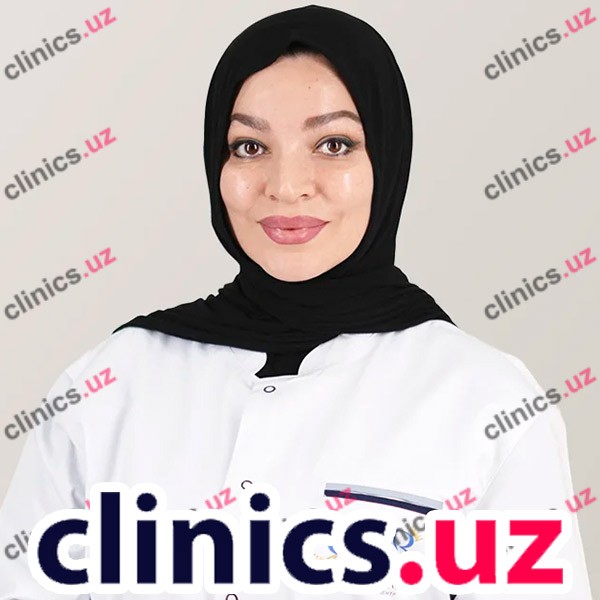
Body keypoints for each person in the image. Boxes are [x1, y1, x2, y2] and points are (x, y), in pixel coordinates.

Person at [0, 4, 592, 598]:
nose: (286, 186)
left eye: (333, 144)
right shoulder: (109, 384)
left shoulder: (488, 400)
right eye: (249, 147)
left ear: (388, 158)